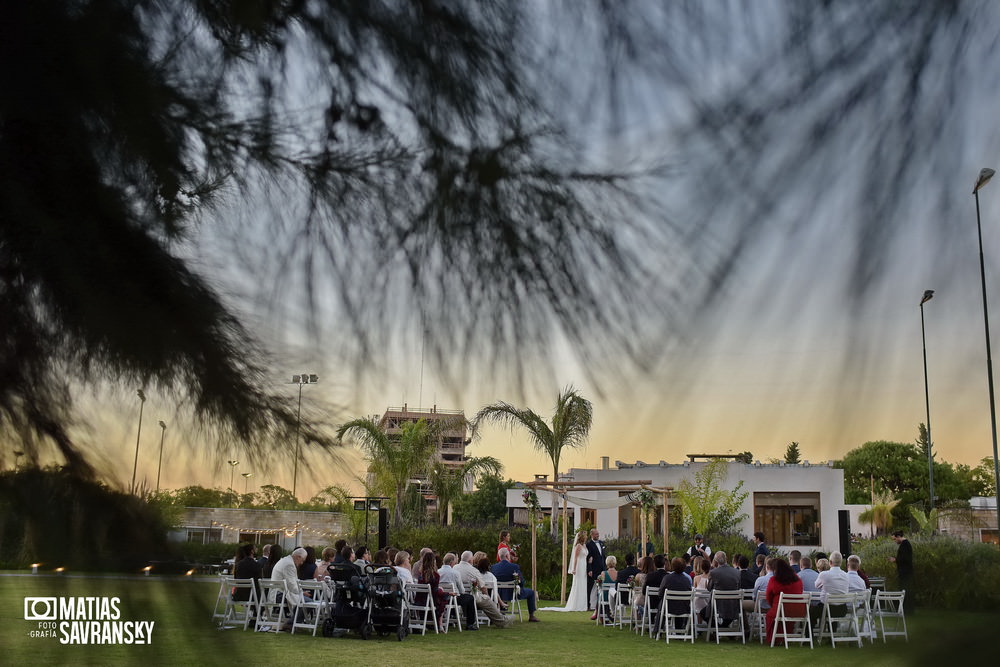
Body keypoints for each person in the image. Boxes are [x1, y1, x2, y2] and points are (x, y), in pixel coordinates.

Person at [455, 551, 509, 628]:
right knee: (487, 600)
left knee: (485, 600)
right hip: (472, 596)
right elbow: (483, 587)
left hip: (458, 596)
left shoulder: (455, 567)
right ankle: (501, 620)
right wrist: (487, 596)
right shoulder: (474, 570)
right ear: (470, 560)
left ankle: (501, 619)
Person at [539, 530, 589, 612]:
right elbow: (575, 558)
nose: (586, 537)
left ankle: (582, 605)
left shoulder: (585, 546)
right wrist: (574, 569)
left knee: (583, 584)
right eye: (585, 536)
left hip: (584, 566)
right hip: (579, 566)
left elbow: (585, 555)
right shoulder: (578, 546)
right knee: (578, 584)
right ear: (582, 537)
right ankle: (576, 604)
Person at [492, 547, 540, 622]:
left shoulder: (494, 567)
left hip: (498, 594)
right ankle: (531, 615)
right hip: (512, 593)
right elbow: (521, 581)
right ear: (508, 556)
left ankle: (502, 612)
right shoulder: (514, 567)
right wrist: (520, 586)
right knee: (531, 592)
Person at [765, 558, 804, 645]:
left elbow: (768, 596)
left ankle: (775, 639)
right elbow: (800, 592)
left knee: (770, 616)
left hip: (781, 609)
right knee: (779, 614)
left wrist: (773, 605)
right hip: (798, 611)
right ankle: (786, 637)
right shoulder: (798, 580)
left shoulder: (774, 580)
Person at [269, 547, 306, 631]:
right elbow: (292, 585)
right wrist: (302, 592)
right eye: (302, 560)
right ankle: (291, 623)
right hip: (280, 594)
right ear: (298, 557)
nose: (302, 562)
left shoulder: (285, 561)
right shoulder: (289, 564)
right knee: (308, 602)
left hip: (278, 592)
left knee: (305, 600)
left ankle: (293, 623)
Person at [440, 552, 479, 630]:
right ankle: (470, 624)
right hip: (454, 598)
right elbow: (462, 590)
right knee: (470, 598)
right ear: (451, 562)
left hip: (441, 598)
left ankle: (453, 615)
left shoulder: (438, 572)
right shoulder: (455, 573)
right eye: (454, 561)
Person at [416, 550, 449, 630]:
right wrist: (445, 592)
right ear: (433, 562)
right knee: (444, 597)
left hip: (419, 600)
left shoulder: (421, 575)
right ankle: (440, 624)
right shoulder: (435, 575)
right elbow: (435, 592)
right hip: (430, 600)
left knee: (442, 595)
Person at [658, 556, 693, 628]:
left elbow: (660, 593)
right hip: (684, 608)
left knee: (662, 603)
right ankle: (679, 629)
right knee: (679, 602)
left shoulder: (667, 578)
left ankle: (659, 629)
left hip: (669, 607)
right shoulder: (687, 580)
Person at [706, 551, 741, 625]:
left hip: (718, 605)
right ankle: (724, 629)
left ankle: (719, 628)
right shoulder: (737, 572)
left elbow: (709, 588)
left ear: (715, 561)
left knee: (703, 612)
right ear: (726, 559)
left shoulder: (713, 573)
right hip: (733, 605)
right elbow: (739, 587)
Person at [889, 529, 915, 614]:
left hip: (905, 572)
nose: (895, 541)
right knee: (904, 589)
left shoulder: (905, 545)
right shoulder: (904, 544)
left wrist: (895, 560)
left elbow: (905, 559)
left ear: (899, 537)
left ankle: (907, 609)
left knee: (905, 590)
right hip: (904, 571)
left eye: (895, 539)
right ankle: (905, 609)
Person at [585, 528, 605, 614]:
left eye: (598, 534)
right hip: (593, 568)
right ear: (592, 535)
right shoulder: (589, 544)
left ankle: (600, 604)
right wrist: (589, 569)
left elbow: (602, 555)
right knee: (590, 586)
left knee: (601, 587)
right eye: (596, 534)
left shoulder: (601, 543)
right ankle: (588, 604)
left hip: (602, 568)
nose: (598, 535)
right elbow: (588, 557)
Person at [597, 555, 619, 623]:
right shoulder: (618, 573)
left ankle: (598, 613)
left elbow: (600, 586)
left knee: (599, 593)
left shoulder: (603, 573)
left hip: (605, 597)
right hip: (615, 597)